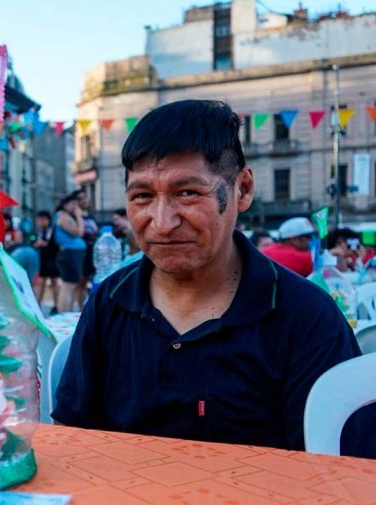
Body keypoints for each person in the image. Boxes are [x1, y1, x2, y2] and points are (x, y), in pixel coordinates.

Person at [52, 99, 372, 457]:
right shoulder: (110, 300)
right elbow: (73, 436)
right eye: (142, 196)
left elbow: (340, 471)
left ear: (243, 189)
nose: (162, 221)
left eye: (187, 193)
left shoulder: (306, 315)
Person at [53, 192, 86, 313]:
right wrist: (79, 217)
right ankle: (63, 313)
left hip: (73, 254)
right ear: (65, 204)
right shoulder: (63, 217)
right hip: (69, 254)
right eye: (72, 204)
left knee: (71, 285)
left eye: (76, 204)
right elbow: (79, 232)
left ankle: (66, 312)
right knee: (68, 285)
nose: (75, 207)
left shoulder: (64, 216)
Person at [33, 210, 59, 313]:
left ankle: (56, 305)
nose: (41, 221)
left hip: (52, 258)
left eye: (43, 219)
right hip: (42, 258)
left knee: (54, 282)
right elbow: (33, 242)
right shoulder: (38, 231)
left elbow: (54, 244)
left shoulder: (53, 230)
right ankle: (38, 304)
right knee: (41, 282)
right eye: (39, 219)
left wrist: (43, 244)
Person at [75, 189, 99, 303]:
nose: (84, 200)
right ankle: (81, 310)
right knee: (81, 283)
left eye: (85, 197)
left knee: (91, 281)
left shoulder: (90, 216)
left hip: (93, 251)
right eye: (80, 198)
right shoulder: (76, 217)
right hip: (82, 252)